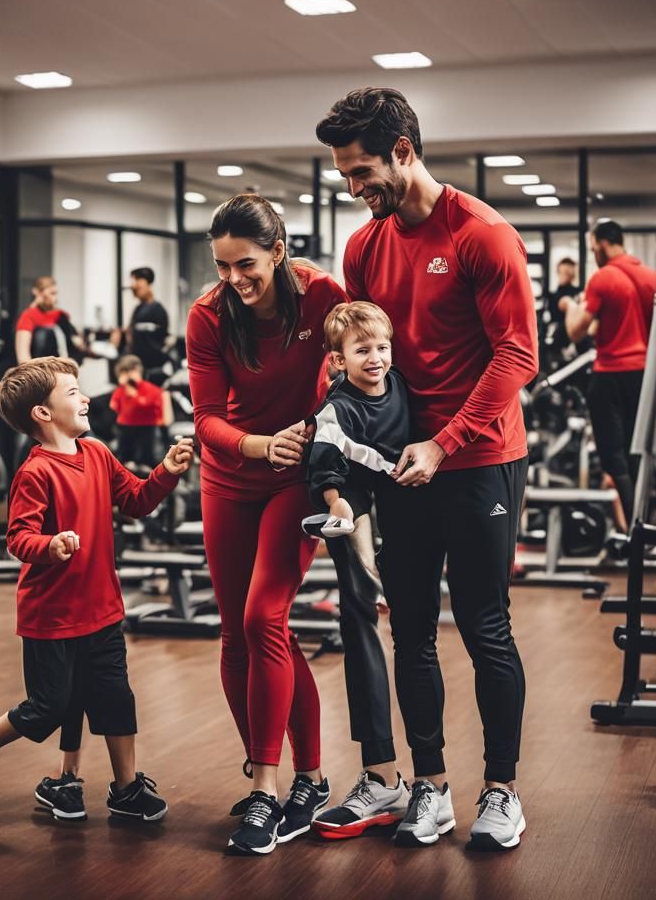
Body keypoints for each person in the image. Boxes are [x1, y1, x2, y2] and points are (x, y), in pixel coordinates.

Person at [317, 87, 539, 852]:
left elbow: (518, 354)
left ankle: (502, 791)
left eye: (364, 171)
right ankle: (432, 789)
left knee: (485, 628)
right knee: (409, 630)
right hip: (400, 470)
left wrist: (444, 443)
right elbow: (361, 354)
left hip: (478, 462)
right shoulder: (364, 246)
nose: (355, 188)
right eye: (346, 175)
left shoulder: (482, 234)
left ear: (404, 151)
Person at [0, 356, 194, 823]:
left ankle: (125, 790)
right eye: (73, 392)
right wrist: (51, 545)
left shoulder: (97, 453)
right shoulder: (35, 472)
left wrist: (165, 470)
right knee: (49, 707)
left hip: (102, 608)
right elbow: (17, 538)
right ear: (42, 413)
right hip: (52, 615)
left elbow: (137, 501)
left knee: (116, 698)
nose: (85, 398)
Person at [186, 194, 347, 856]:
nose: (234, 280)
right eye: (222, 267)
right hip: (231, 474)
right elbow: (204, 420)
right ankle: (289, 778)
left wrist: (324, 436)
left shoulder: (322, 297)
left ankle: (274, 788)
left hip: (293, 479)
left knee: (264, 619)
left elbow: (363, 366)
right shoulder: (208, 316)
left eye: (245, 264)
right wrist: (257, 443)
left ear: (278, 251)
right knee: (235, 633)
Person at [300, 301, 415, 840]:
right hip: (354, 510)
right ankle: (380, 770)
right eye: (362, 350)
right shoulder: (336, 407)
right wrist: (335, 502)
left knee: (414, 631)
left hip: (406, 509)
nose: (375, 358)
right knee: (362, 617)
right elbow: (325, 465)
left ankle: (426, 779)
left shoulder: (402, 388)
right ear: (337, 360)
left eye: (382, 348)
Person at [564, 220, 656, 525]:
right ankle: (644, 524)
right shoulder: (650, 276)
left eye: (593, 247)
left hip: (610, 373)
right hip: (643, 374)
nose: (593, 253)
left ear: (602, 243)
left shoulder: (602, 278)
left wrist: (571, 307)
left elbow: (576, 332)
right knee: (637, 451)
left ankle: (635, 528)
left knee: (612, 458)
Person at [110, 354, 166, 470]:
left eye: (132, 371)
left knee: (147, 453)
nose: (129, 376)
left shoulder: (151, 389)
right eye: (125, 373)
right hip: (126, 425)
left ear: (139, 371)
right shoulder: (120, 390)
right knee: (124, 452)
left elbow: (149, 405)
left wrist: (134, 395)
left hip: (147, 426)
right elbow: (114, 405)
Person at [113, 267, 170, 379]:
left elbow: (152, 344)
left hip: (148, 372)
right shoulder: (138, 309)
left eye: (137, 281)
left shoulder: (157, 310)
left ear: (147, 282)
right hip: (136, 370)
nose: (133, 286)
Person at [14, 276, 85, 364]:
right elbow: (23, 358)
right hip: (42, 371)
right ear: (38, 293)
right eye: (52, 293)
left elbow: (77, 343)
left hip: (64, 368)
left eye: (56, 293)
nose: (55, 298)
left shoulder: (61, 315)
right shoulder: (27, 317)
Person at [546, 256, 579, 356]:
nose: (566, 275)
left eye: (568, 272)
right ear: (558, 272)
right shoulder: (552, 296)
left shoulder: (578, 293)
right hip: (558, 340)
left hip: (574, 338)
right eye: (563, 272)